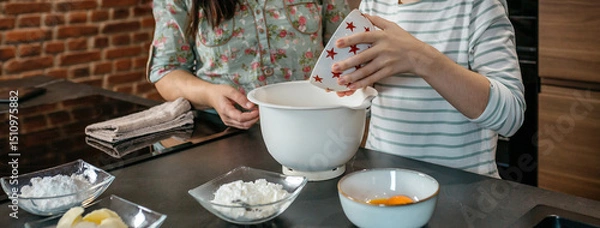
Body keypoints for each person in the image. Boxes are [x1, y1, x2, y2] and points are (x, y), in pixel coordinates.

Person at [333, 0, 525, 177]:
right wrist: (354, 87)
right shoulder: (374, 3)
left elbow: (511, 116)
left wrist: (420, 58)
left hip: (463, 197)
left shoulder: (479, 4)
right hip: (383, 187)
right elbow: (366, 103)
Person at [148, 0, 351, 129]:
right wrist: (210, 95)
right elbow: (166, 71)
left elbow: (347, 52)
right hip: (222, 134)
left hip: (313, 125)